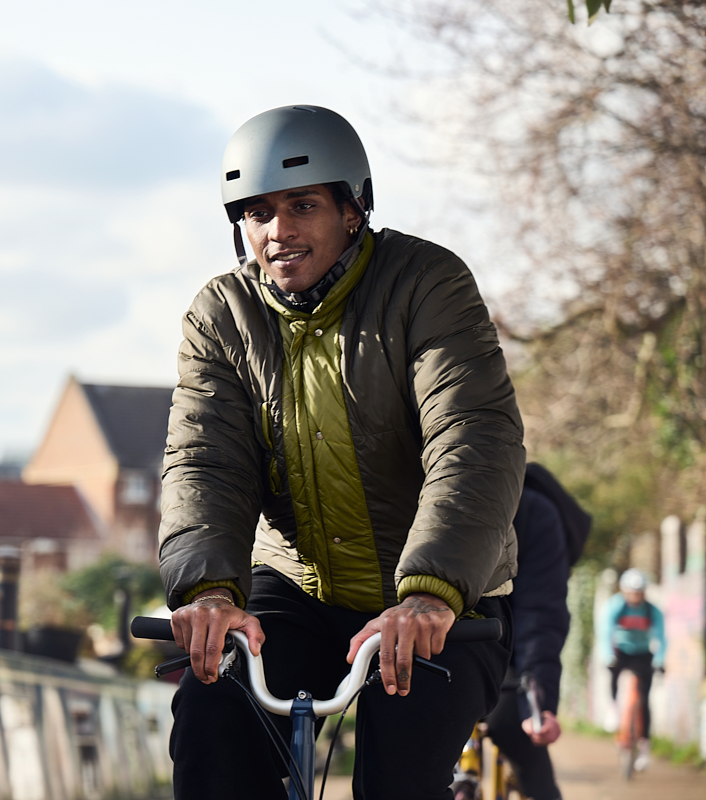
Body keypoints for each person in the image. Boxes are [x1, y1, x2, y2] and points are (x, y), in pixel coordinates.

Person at [159, 105, 523, 799]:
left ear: (352, 210)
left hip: (434, 599)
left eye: (302, 205)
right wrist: (208, 589)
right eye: (258, 213)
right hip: (297, 587)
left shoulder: (428, 285)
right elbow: (205, 462)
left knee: (399, 778)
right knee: (212, 727)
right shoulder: (223, 314)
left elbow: (473, 440)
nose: (279, 231)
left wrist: (430, 594)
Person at [484, 463, 592, 800]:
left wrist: (538, 697)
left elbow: (540, 615)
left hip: (510, 648)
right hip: (433, 646)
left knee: (515, 728)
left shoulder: (535, 513)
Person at [598, 567, 665, 771]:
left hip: (643, 654)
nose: (635, 596)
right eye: (631, 592)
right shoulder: (616, 606)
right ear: (624, 591)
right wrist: (608, 654)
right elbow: (605, 631)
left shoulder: (652, 610)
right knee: (613, 674)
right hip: (622, 652)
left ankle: (644, 746)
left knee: (644, 699)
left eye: (639, 592)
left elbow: (662, 637)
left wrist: (660, 660)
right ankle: (613, 708)